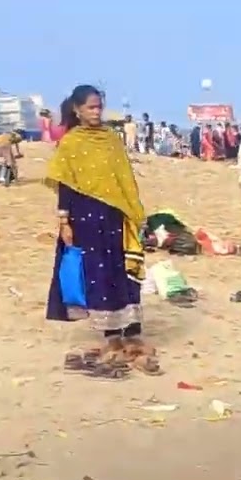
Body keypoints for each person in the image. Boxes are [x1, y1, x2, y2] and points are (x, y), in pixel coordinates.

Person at [46, 85, 154, 375]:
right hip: (85, 218)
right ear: (77, 110)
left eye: (99, 107)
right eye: (91, 108)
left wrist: (135, 213)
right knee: (99, 274)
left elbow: (124, 178)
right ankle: (111, 336)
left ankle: (132, 331)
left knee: (124, 270)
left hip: (116, 215)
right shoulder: (70, 143)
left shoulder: (111, 139)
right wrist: (64, 221)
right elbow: (65, 185)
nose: (96, 112)